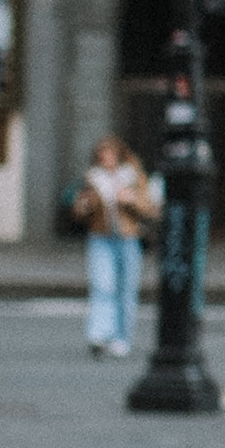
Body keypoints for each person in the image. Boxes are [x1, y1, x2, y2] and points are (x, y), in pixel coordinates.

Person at [75, 135, 153, 359]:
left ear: (118, 155)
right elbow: (78, 211)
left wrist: (131, 200)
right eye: (101, 155)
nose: (105, 158)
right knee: (102, 285)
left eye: (109, 154)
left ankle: (122, 338)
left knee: (126, 289)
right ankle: (99, 335)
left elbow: (148, 207)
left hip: (128, 239)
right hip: (101, 238)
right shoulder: (93, 178)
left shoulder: (132, 176)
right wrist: (85, 205)